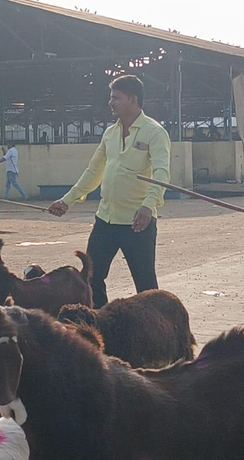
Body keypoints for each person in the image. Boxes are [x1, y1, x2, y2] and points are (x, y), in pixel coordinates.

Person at [47, 75, 170, 307]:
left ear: (132, 99)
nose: (110, 102)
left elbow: (162, 173)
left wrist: (148, 205)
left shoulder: (154, 132)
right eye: (111, 97)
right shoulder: (110, 134)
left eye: (116, 97)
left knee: (145, 286)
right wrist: (67, 200)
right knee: (91, 278)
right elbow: (94, 172)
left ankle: (155, 331)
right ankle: (102, 323)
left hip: (137, 222)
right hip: (105, 220)